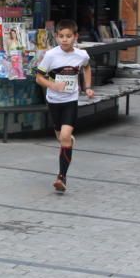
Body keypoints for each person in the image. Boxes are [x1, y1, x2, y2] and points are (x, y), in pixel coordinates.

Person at [36, 19, 94, 193]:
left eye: (68, 36)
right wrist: (53, 85)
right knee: (61, 137)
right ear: (56, 37)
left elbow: (87, 67)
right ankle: (67, 141)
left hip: (70, 100)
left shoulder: (81, 55)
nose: (65, 40)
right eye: (61, 36)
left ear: (75, 37)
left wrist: (88, 87)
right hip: (54, 101)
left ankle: (62, 177)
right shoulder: (51, 55)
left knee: (65, 136)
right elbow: (39, 77)